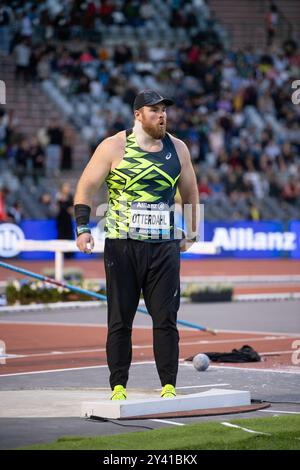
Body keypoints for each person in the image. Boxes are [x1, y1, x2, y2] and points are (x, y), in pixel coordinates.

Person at [74, 89, 199, 400]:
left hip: (164, 249)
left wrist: (192, 232)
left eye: (164, 109)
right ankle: (118, 386)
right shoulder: (114, 146)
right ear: (137, 115)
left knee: (166, 319)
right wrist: (82, 228)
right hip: (122, 247)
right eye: (154, 109)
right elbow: (86, 187)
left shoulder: (178, 149)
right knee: (120, 320)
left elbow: (192, 193)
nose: (162, 115)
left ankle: (168, 385)